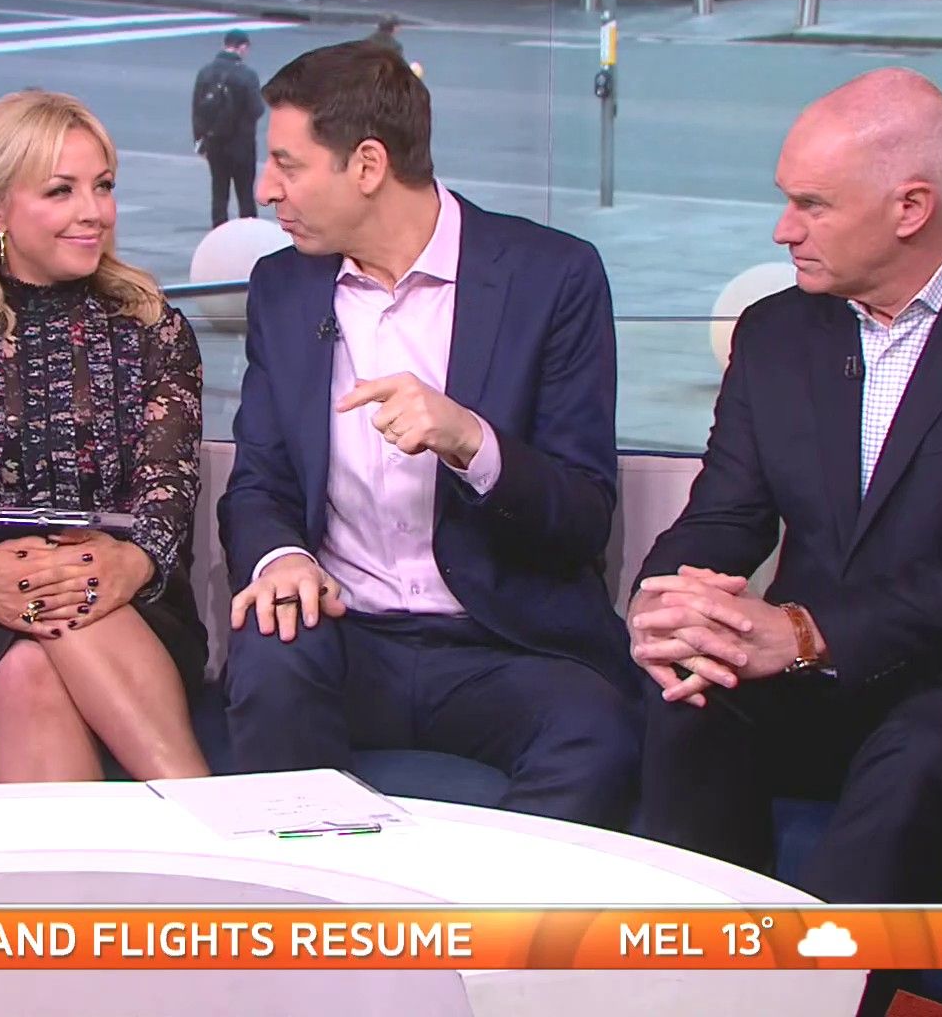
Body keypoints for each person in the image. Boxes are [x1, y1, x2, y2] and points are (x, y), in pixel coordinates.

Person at [629, 69, 942, 914]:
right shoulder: (776, 332)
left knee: (918, 747)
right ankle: (700, 966)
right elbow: (725, 514)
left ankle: (827, 983)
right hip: (822, 687)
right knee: (688, 695)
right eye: (786, 200)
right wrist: (668, 601)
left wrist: (804, 631)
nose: (784, 230)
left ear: (911, 208)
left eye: (813, 205)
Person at [218, 42, 640, 828]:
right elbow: (259, 483)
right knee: (271, 667)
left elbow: (584, 514)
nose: (267, 188)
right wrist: (282, 558)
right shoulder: (283, 286)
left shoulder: (552, 277)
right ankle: (322, 903)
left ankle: (480, 911)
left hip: (500, 645)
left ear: (368, 165)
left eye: (287, 164)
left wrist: (472, 441)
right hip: (346, 631)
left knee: (596, 734)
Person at [0, 89, 210, 783]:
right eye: (61, 191)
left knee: (44, 646)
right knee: (50, 610)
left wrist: (132, 562)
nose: (94, 212)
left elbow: (169, 487)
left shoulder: (152, 327)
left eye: (103, 186)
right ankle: (204, 808)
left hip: (130, 598)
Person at [192, 29, 265, 230]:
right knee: (245, 193)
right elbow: (257, 109)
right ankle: (248, 233)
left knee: (219, 190)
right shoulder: (247, 75)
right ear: (242, 47)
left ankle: (219, 231)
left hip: (214, 142)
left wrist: (200, 140)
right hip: (242, 144)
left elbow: (197, 110)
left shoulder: (205, 72)